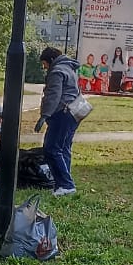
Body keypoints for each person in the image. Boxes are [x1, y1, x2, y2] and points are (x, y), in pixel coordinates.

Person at [37, 44, 82, 196]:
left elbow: (53, 95)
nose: (44, 68)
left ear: (50, 60)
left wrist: (44, 115)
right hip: (74, 113)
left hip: (62, 113)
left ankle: (66, 184)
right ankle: (63, 184)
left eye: (44, 64)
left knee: (52, 148)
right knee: (64, 148)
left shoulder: (56, 71)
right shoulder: (70, 68)